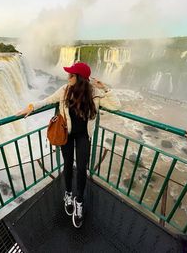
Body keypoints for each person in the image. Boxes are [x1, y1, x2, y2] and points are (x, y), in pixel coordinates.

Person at [16, 62, 121, 228]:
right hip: (66, 135)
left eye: (71, 75)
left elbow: (116, 105)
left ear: (78, 78)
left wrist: (106, 88)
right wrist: (30, 107)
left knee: (81, 168)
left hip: (83, 137)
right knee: (67, 164)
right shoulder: (64, 90)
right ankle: (68, 193)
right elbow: (47, 100)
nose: (68, 77)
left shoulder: (95, 93)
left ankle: (79, 201)